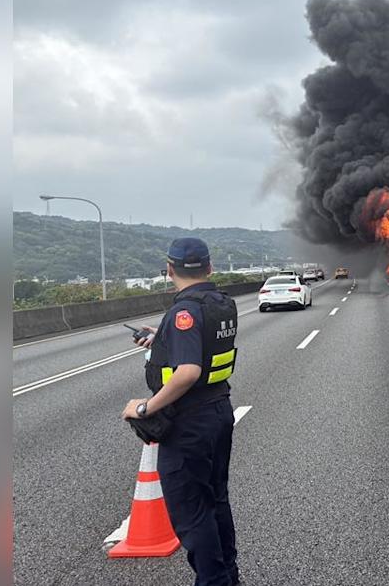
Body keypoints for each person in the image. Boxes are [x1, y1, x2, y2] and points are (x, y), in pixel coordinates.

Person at [121, 237, 240, 586]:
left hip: (190, 423)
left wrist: (144, 408)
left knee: (193, 512)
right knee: (216, 501)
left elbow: (188, 371)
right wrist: (162, 336)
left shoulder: (183, 312)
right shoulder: (221, 303)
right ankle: (228, 576)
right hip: (218, 411)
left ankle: (214, 581)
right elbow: (204, 344)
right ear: (210, 267)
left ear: (169, 269)